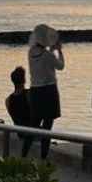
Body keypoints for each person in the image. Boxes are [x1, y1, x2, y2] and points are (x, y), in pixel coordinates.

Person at [26, 24, 64, 159]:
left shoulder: (30, 52)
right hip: (49, 91)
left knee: (33, 126)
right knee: (47, 127)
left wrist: (51, 50)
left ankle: (24, 154)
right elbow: (61, 66)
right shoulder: (47, 55)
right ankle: (43, 157)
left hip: (35, 91)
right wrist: (59, 51)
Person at [5, 66, 30, 130]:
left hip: (19, 132)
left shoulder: (8, 100)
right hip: (32, 131)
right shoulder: (29, 94)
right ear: (24, 80)